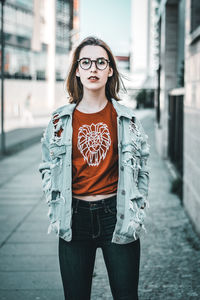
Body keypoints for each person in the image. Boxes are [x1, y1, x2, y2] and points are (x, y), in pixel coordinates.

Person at [39, 36, 150, 300]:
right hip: (73, 217)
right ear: (77, 70)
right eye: (86, 62)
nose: (93, 68)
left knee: (126, 296)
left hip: (117, 215)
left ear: (110, 69)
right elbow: (46, 164)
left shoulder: (127, 118)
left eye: (101, 62)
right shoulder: (59, 120)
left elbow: (143, 166)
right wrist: (52, 200)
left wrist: (139, 206)